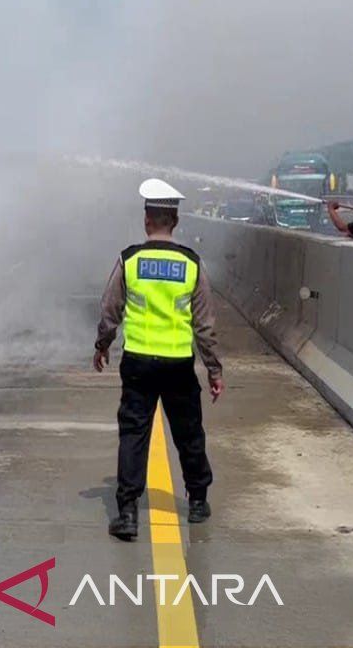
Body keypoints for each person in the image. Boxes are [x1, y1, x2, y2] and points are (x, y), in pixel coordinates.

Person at [93, 179, 224, 542]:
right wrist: (214, 369)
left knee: (134, 435)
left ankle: (128, 514)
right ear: (175, 221)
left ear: (147, 220)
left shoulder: (130, 259)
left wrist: (102, 345)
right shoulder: (191, 264)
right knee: (188, 432)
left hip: (138, 362)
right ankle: (197, 501)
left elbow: (110, 309)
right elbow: (205, 323)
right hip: (178, 363)